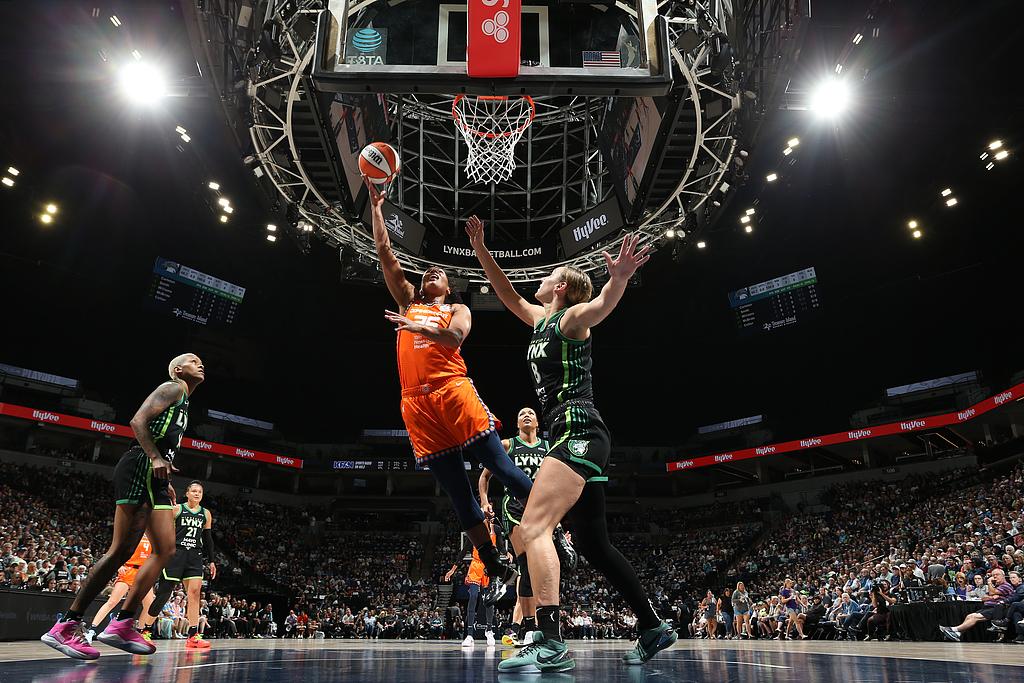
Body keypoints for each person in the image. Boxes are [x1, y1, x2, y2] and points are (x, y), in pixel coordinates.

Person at [468, 222, 675, 673]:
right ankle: (652, 626)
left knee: (533, 527)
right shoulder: (539, 318)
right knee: (593, 545)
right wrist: (481, 250)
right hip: (573, 434)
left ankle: (550, 640)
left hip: (577, 428)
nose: (541, 280)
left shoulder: (570, 319)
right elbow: (506, 294)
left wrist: (618, 279)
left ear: (560, 287)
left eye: (549, 277)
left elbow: (600, 306)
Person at [366, 181, 531, 596]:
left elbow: (455, 338)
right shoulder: (408, 301)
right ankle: (493, 562)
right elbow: (385, 252)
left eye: (438, 273)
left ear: (448, 287)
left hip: (452, 390)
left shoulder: (457, 308)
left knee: (501, 467)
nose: (431, 273)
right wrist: (376, 209)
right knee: (457, 492)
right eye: (427, 272)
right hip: (415, 404)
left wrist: (417, 327)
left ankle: (562, 528)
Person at [41, 354, 204, 660]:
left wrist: (165, 472)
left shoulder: (184, 401)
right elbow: (137, 421)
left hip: (156, 476)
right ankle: (66, 625)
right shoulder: (172, 387)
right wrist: (155, 458)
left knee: (166, 550)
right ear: (178, 369)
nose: (200, 364)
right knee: (121, 550)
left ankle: (123, 623)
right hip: (140, 466)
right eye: (193, 360)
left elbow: (161, 440)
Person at [478, 407, 576, 647]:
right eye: (521, 413)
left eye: (531, 412)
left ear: (537, 422)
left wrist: (560, 521)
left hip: (542, 509)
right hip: (515, 508)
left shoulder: (549, 447)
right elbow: (484, 476)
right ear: (517, 423)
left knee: (538, 568)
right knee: (526, 565)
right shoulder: (508, 445)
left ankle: (535, 625)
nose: (526, 415)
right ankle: (530, 628)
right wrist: (484, 501)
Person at [139, 480, 216, 649]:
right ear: (187, 493)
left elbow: (208, 538)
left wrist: (211, 560)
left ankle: (193, 635)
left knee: (194, 594)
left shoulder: (206, 513)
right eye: (194, 491)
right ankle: (145, 630)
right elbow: (162, 528)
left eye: (200, 492)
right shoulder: (177, 509)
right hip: (176, 555)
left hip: (194, 556)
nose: (197, 494)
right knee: (164, 594)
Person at [85, 534, 158, 642]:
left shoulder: (155, 535)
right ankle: (91, 631)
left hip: (144, 572)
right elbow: (117, 551)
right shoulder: (134, 533)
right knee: (112, 602)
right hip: (129, 570)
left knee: (149, 605)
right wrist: (119, 565)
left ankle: (140, 633)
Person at [446, 518, 499, 648]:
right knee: (473, 596)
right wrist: (453, 570)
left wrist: (506, 553)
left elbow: (502, 546)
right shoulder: (474, 531)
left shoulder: (496, 530)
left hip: (489, 566)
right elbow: (464, 551)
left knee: (489, 600)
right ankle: (469, 635)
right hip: (476, 565)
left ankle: (489, 630)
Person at [941, 568, 1015, 642]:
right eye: (993, 575)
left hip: (996, 608)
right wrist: (992, 596)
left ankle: (953, 629)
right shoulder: (995, 586)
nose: (995, 576)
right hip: (987, 607)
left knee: (974, 617)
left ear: (1003, 576)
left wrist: (990, 584)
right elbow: (984, 598)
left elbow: (992, 593)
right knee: (969, 616)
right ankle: (958, 634)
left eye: (997, 574)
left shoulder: (1006, 586)